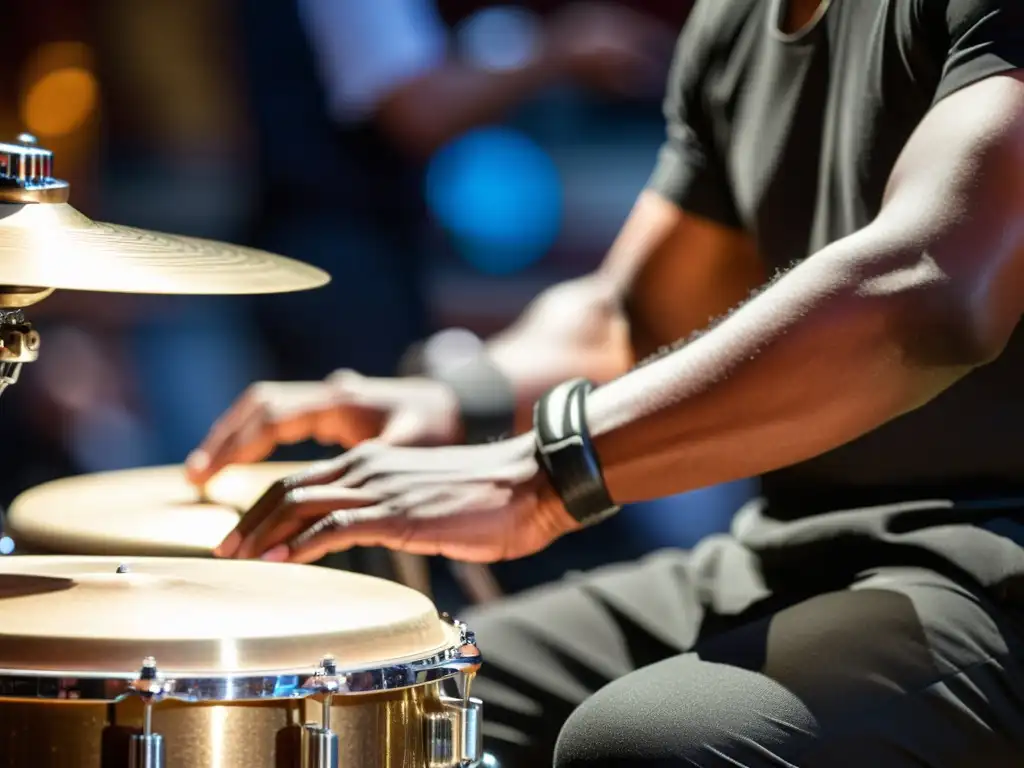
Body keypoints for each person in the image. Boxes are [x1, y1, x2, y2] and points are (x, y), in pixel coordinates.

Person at [189, 0, 1024, 764]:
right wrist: (456, 400)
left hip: (994, 570)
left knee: (640, 747)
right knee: (371, 694)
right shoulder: (737, 20)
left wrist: (538, 476)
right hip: (789, 551)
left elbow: (934, 282)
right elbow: (637, 316)